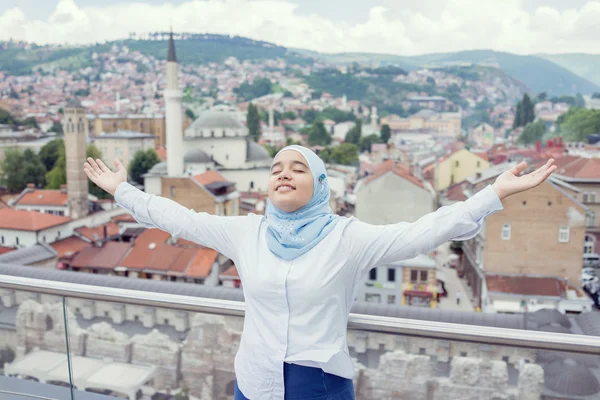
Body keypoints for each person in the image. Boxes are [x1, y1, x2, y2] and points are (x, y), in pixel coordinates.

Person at [83, 145, 556, 400]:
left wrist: (493, 194)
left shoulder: (346, 237)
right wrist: (121, 190)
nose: (283, 174)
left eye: (298, 168)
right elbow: (179, 218)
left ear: (320, 184)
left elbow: (425, 230)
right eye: (276, 168)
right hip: (255, 381)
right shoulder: (247, 233)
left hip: (319, 386)